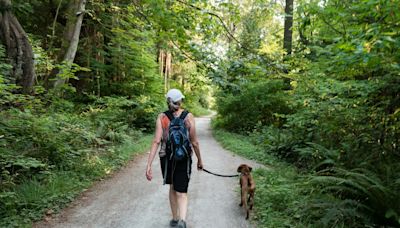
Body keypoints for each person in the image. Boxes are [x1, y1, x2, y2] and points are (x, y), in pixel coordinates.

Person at [145, 88, 203, 228]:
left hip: (167, 157)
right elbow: (194, 142)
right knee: (181, 191)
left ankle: (175, 218)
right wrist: (200, 160)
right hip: (184, 157)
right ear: (181, 101)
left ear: (168, 101)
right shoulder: (188, 116)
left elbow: (156, 141)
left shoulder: (162, 117)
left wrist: (148, 165)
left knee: (172, 186)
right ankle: (182, 221)